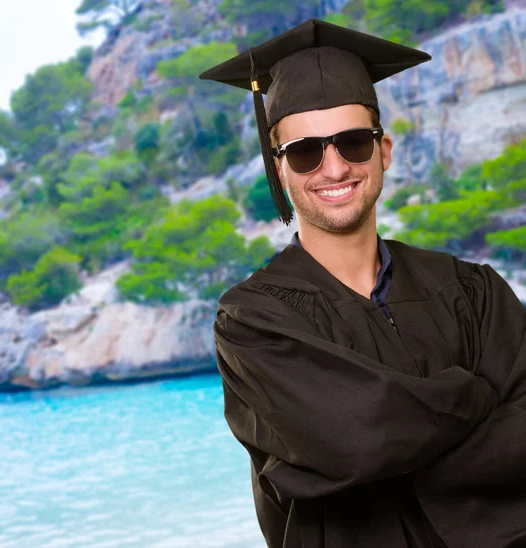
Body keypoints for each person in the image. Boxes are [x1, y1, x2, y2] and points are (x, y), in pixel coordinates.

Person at [199, 19, 526, 548]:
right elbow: (359, 441)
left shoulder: (474, 292)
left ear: (384, 151)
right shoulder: (253, 323)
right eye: (305, 151)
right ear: (279, 170)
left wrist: (399, 444)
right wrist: (476, 394)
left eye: (353, 143)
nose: (333, 168)